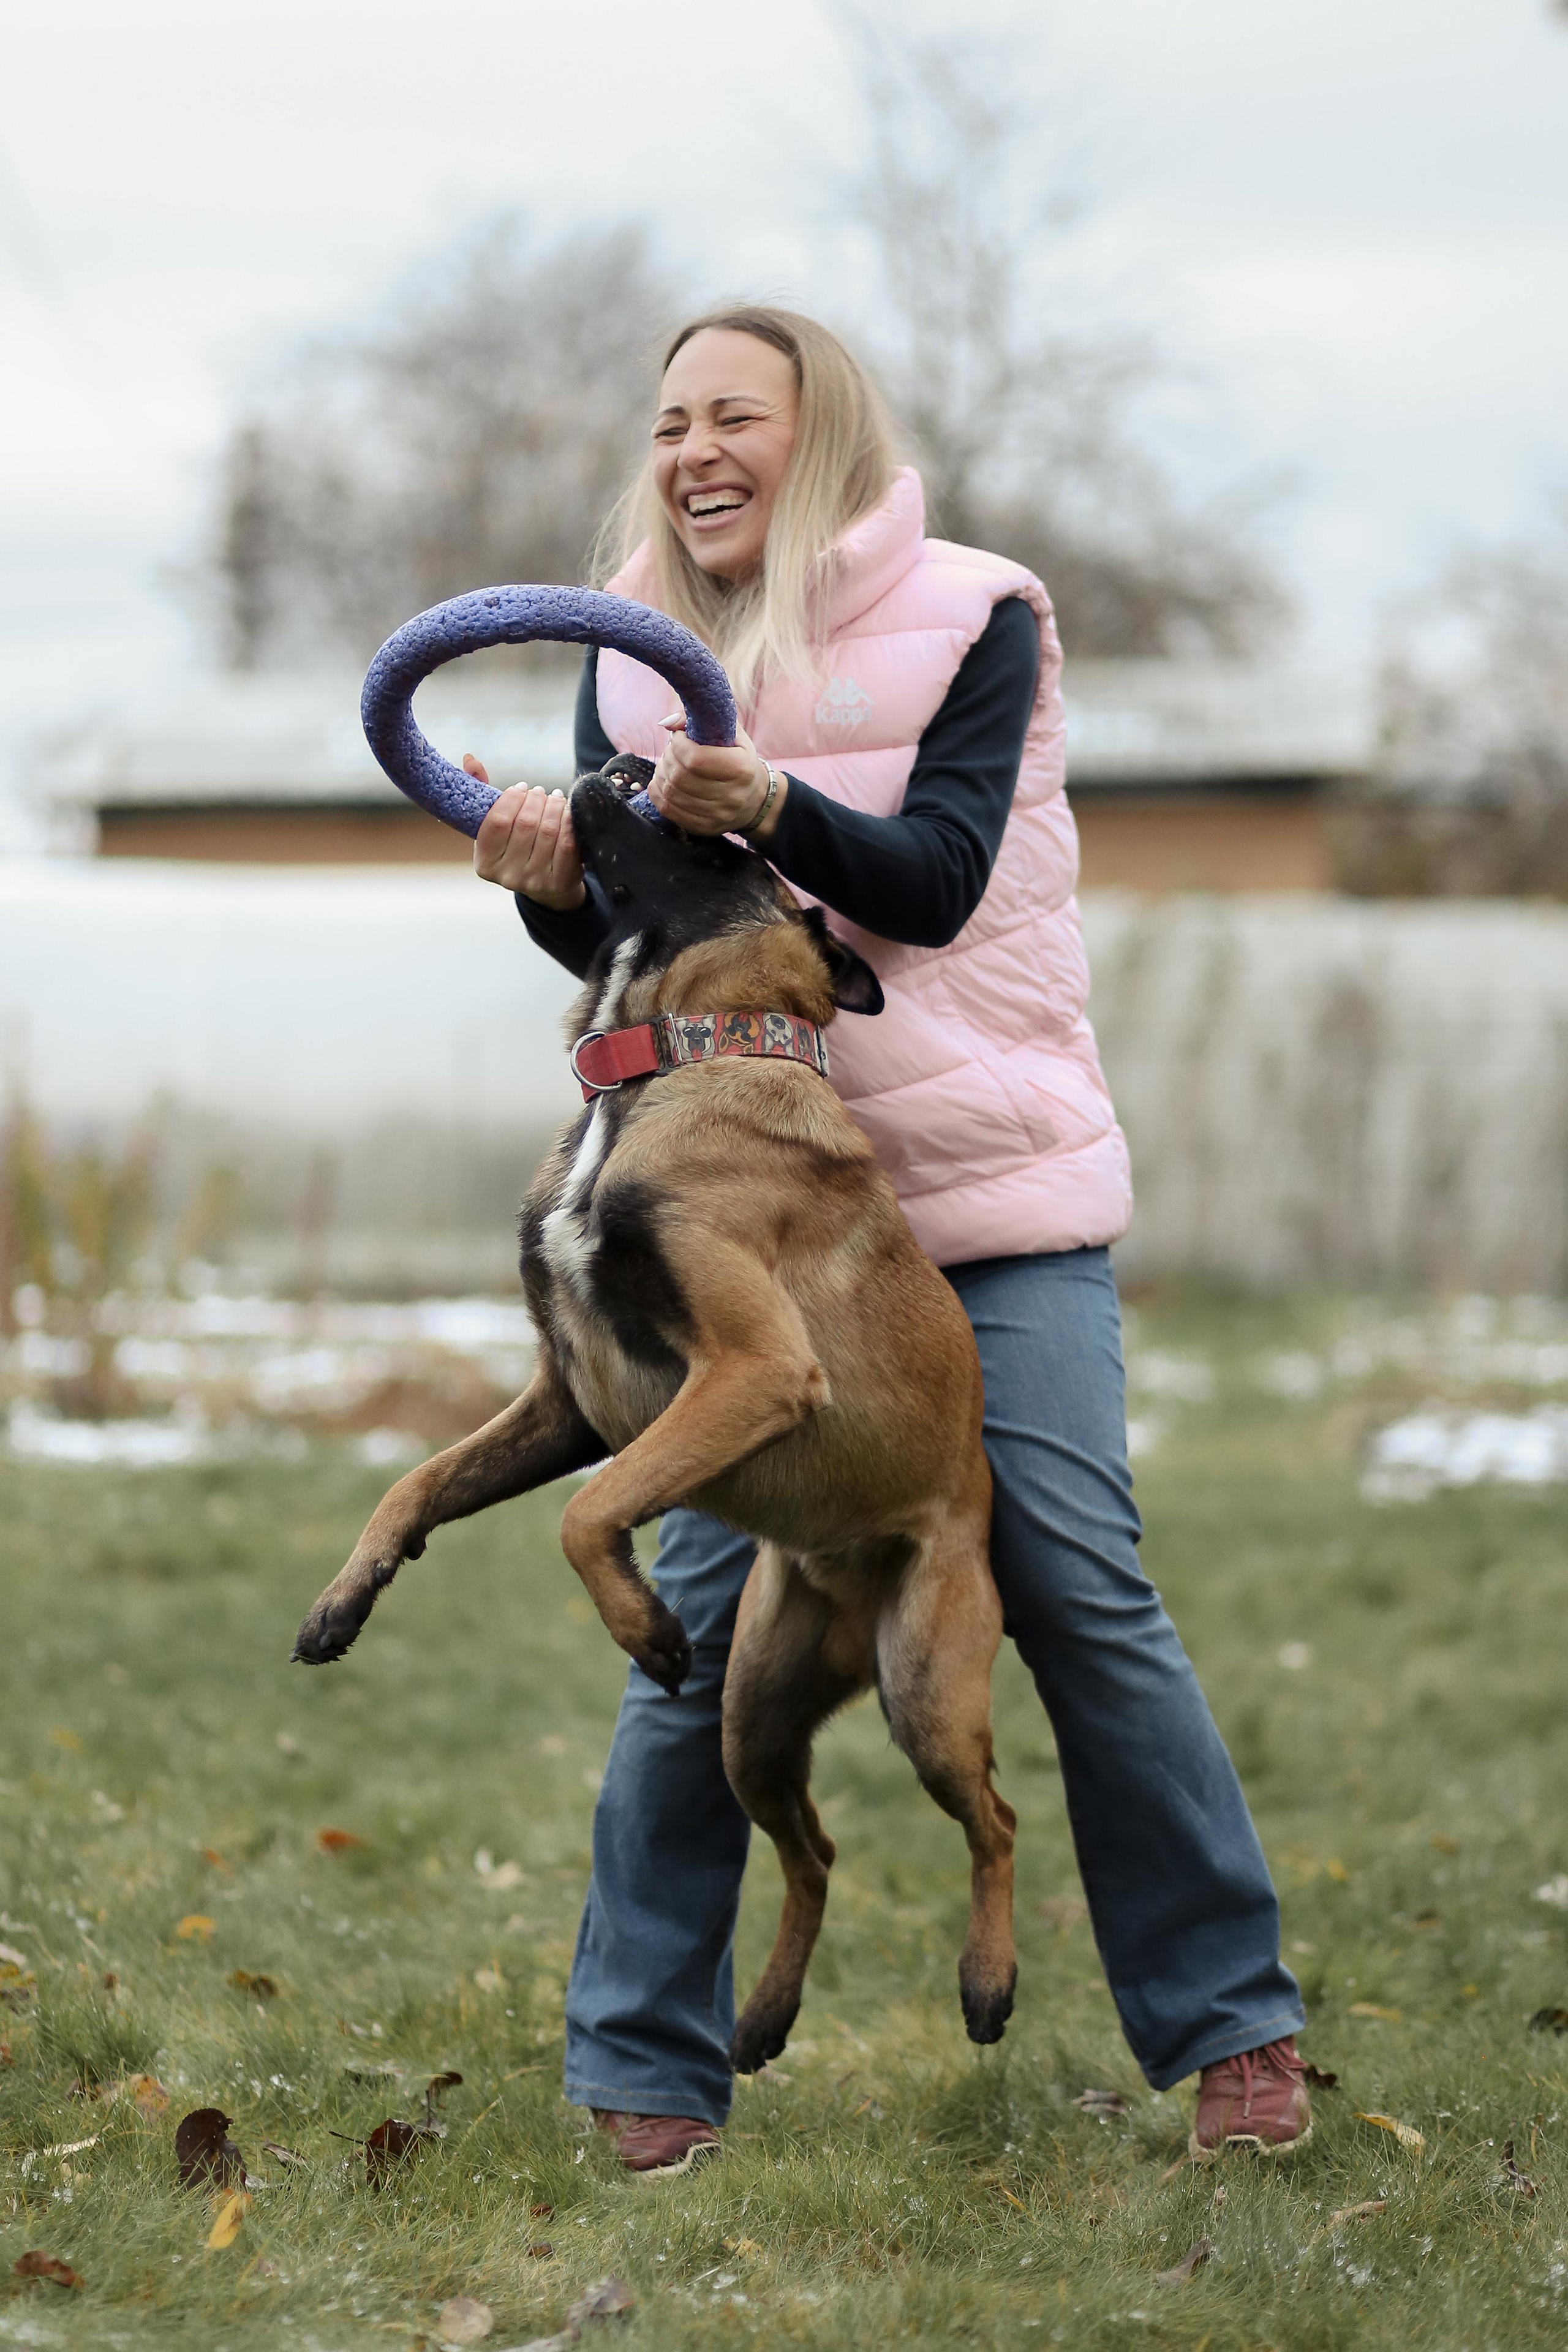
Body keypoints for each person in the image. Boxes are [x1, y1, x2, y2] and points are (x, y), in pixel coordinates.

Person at [466, 306, 1311, 2177]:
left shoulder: (980, 612)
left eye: (737, 416)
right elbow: (642, 951)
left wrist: (778, 799)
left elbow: (936, 879)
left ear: (818, 431)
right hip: (749, 1208)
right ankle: (644, 2066)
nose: (696, 449)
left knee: (1081, 1577)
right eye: (671, 418)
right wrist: (548, 897)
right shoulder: (624, 661)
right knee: (691, 1620)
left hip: (984, 1208)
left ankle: (1234, 2028)